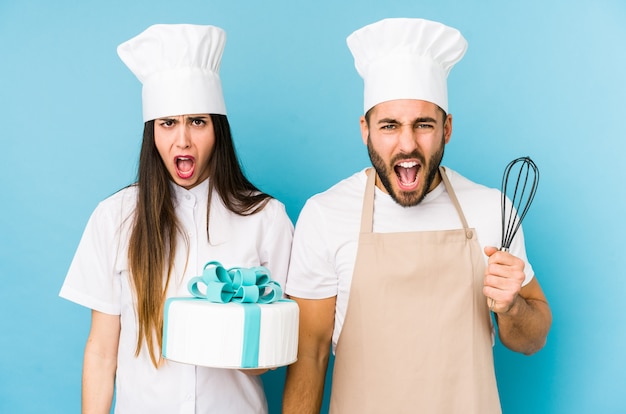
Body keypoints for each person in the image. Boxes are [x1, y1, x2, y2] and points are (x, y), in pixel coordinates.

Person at [282, 18, 552, 413]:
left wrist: (511, 307)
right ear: (365, 130)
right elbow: (310, 355)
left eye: (423, 124)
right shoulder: (326, 215)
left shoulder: (491, 209)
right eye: (389, 125)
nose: (407, 144)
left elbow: (532, 339)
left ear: (447, 129)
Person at [59, 24, 293, 413]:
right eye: (168, 123)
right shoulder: (114, 218)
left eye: (197, 122)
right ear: (152, 133)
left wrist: (241, 335)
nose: (182, 140)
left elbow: (277, 354)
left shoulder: (266, 217)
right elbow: (101, 352)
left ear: (218, 130)